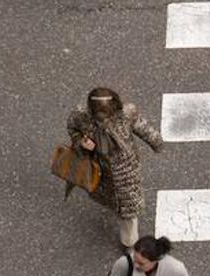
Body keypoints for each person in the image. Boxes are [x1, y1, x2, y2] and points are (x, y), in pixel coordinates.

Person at [67, 88, 163, 247]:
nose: (103, 119)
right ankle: (117, 210)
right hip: (99, 168)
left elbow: (144, 130)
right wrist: (81, 141)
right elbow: (73, 129)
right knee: (110, 198)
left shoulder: (126, 115)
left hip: (125, 171)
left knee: (128, 210)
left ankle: (129, 243)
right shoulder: (81, 116)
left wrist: (156, 143)